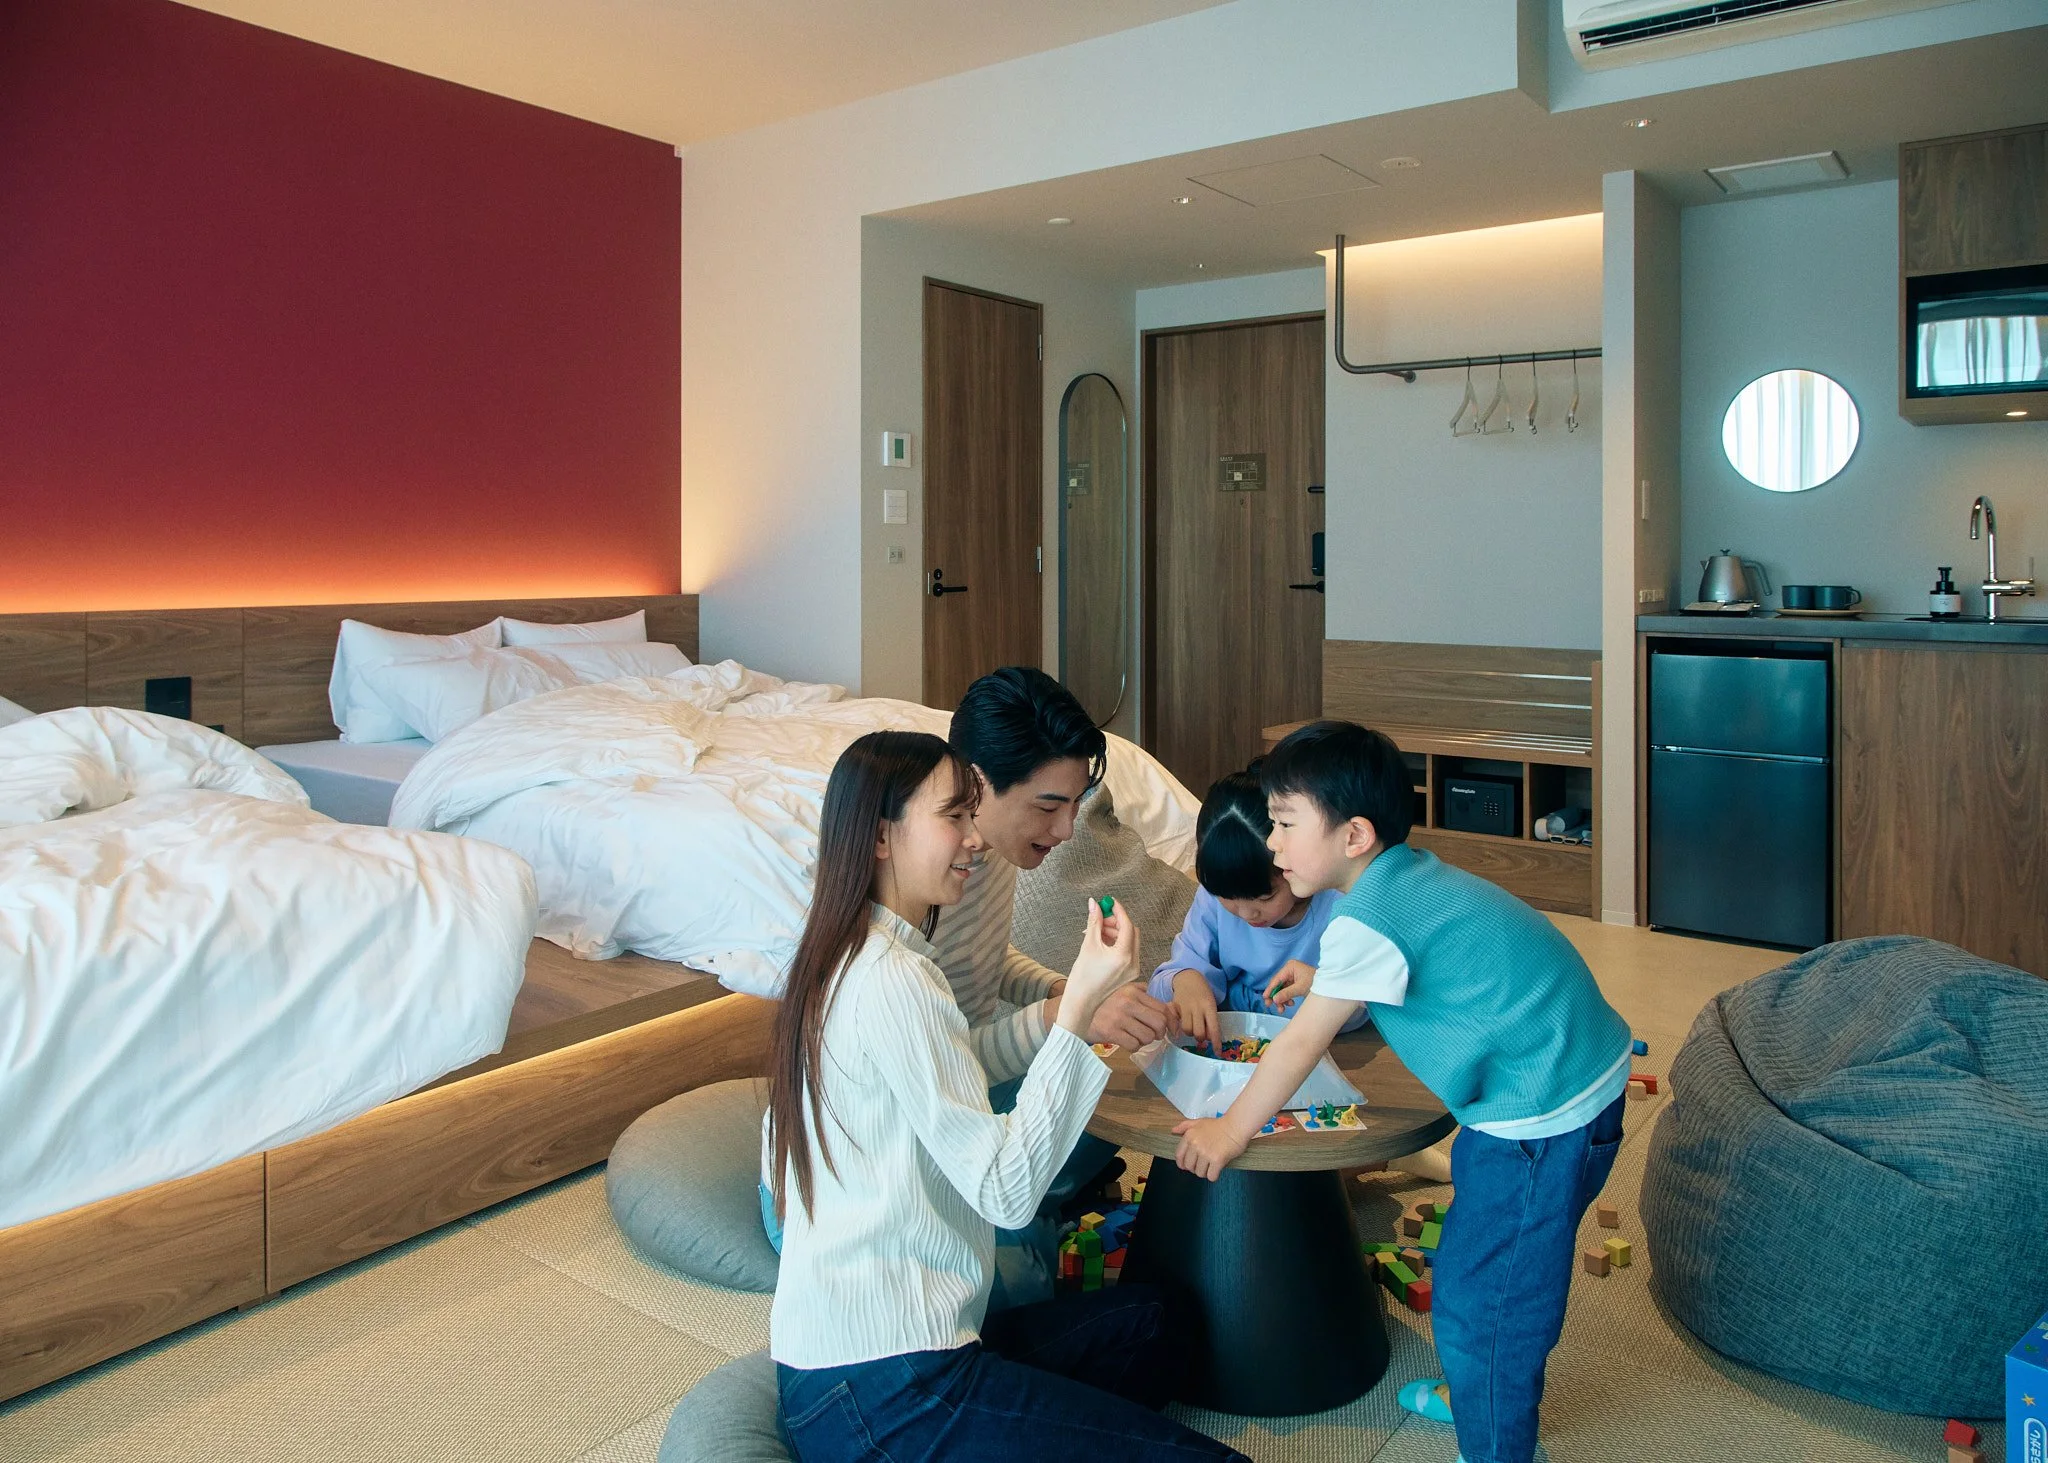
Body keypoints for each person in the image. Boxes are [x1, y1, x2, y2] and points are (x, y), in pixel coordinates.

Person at [765, 730, 1246, 1463]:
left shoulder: (858, 948)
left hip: (890, 1358)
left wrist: (1066, 996)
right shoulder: (892, 980)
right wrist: (1078, 1005)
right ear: (881, 835)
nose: (974, 840)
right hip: (887, 1385)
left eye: (971, 815)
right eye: (952, 818)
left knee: (1159, 1319)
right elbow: (1007, 1190)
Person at [1171, 721, 1632, 1463]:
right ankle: (1484, 1395)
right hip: (1571, 1077)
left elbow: (1296, 1046)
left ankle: (1496, 1445)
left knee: (1483, 1299)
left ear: (1353, 834)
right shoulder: (1407, 878)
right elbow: (1423, 957)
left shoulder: (1363, 921)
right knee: (1502, 1275)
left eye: (1285, 824)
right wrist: (1326, 978)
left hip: (1540, 1115)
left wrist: (1228, 1131)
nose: (1274, 843)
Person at [1148, 764, 1368, 1049]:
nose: (1246, 914)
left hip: (1335, 1051)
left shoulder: (1342, 903)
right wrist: (1185, 980)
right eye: (1227, 897)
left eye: (1265, 898)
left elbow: (1365, 1004)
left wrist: (1322, 987)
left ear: (1292, 862)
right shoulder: (1212, 900)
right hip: (1236, 1049)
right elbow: (1162, 983)